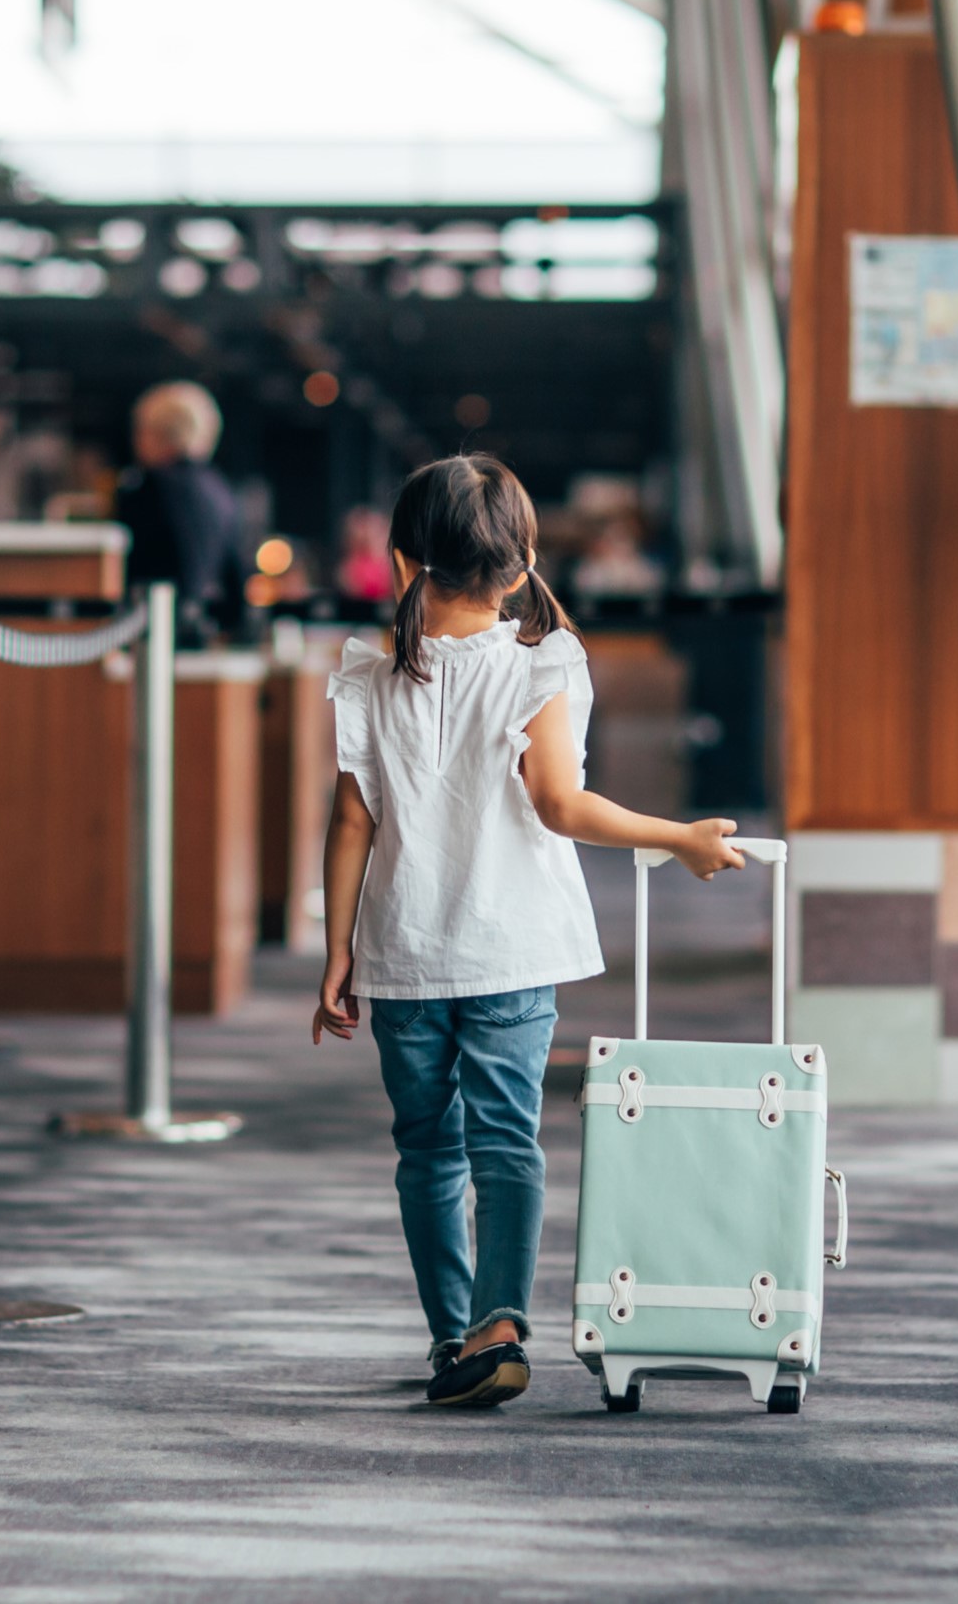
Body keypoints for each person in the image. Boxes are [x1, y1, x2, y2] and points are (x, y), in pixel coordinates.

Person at [310, 454, 743, 1409]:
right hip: (509, 947)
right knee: (507, 1142)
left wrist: (338, 950)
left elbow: (352, 822)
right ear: (521, 561)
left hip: (401, 948)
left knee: (426, 1148)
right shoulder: (540, 663)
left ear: (403, 556)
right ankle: (498, 1326)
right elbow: (559, 802)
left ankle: (447, 1339)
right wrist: (676, 837)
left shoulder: (370, 674)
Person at [115, 380, 246, 643]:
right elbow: (237, 586)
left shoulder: (148, 487)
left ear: (158, 433)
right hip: (198, 634)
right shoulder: (220, 489)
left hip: (151, 637)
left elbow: (124, 572)